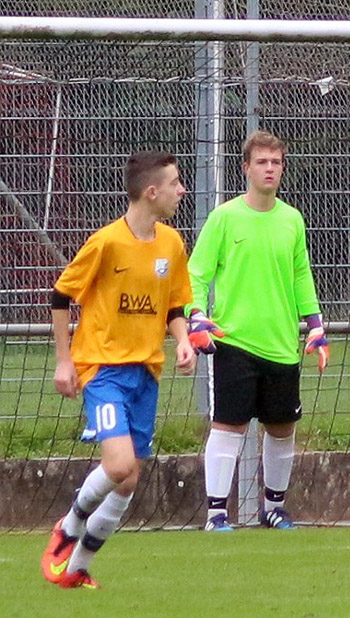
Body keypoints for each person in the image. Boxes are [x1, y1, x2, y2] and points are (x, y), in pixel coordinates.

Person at [41, 151, 195, 589]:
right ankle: (67, 528)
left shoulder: (171, 244)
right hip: (103, 370)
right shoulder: (106, 243)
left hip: (145, 373)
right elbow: (60, 296)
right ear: (152, 192)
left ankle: (76, 568)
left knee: (128, 480)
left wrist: (183, 340)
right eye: (175, 183)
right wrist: (64, 360)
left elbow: (174, 305)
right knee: (119, 463)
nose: (181, 190)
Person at [188, 130, 329, 531]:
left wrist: (315, 325)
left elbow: (301, 276)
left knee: (282, 427)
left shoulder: (292, 220)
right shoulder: (224, 218)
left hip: (283, 344)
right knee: (229, 425)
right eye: (262, 162)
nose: (270, 169)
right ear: (245, 167)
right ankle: (217, 514)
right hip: (234, 341)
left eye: (276, 162)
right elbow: (195, 275)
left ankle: (274, 509)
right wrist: (197, 317)